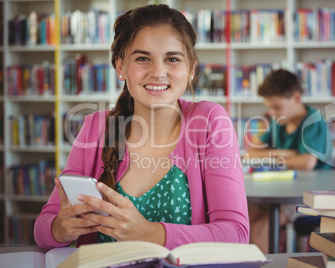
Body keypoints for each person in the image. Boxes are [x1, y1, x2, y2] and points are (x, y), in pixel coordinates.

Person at [34, 4, 249, 250]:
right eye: (143, 58)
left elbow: (235, 234)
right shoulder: (97, 127)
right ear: (121, 67)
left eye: (172, 59)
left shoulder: (210, 121)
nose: (158, 72)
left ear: (191, 68)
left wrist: (149, 233)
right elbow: (43, 228)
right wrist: (61, 229)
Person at [246, 69, 333, 253]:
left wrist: (271, 155)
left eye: (277, 107)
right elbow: (252, 152)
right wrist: (289, 154)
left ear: (295, 97)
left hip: (307, 196)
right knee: (245, 215)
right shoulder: (279, 122)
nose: (271, 112)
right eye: (269, 107)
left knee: (262, 227)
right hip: (278, 190)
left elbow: (307, 163)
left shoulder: (313, 122)